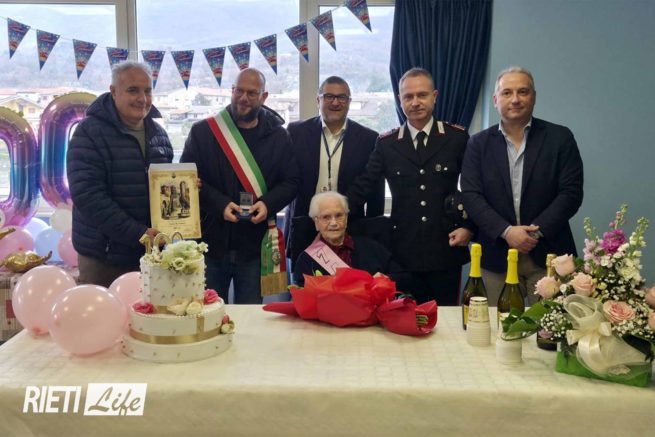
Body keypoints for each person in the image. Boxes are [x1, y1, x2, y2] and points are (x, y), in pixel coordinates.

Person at [347, 67, 473, 305]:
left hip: (446, 247)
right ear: (400, 100)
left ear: (434, 96)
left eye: (422, 95)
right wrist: (334, 214)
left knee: (446, 318)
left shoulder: (456, 138)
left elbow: (473, 189)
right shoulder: (387, 143)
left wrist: (469, 227)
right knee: (403, 317)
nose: (415, 102)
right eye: (408, 97)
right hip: (402, 251)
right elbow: (363, 186)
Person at [461, 66, 583, 305]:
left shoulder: (560, 138)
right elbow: (471, 195)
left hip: (549, 255)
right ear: (495, 100)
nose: (515, 99)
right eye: (507, 93)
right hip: (496, 255)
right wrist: (507, 232)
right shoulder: (478, 144)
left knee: (551, 326)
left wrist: (533, 233)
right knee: (493, 324)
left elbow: (571, 193)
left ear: (534, 97)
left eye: (523, 92)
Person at [181, 68, 299, 304]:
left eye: (252, 93)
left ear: (264, 97)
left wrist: (267, 204)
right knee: (208, 311)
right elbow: (188, 182)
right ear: (232, 91)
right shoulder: (203, 132)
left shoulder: (278, 136)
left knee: (250, 316)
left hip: (254, 246)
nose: (244, 98)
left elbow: (292, 182)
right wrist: (220, 204)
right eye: (239, 91)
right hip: (210, 243)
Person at [67, 60, 173, 287]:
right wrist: (138, 234)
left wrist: (187, 189)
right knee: (102, 311)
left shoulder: (159, 135)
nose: (142, 98)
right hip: (104, 257)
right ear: (113, 92)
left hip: (150, 253)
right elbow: (88, 196)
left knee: (150, 309)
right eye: (133, 90)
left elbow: (165, 191)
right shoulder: (89, 132)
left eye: (147, 91)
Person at [285, 76, 383, 268]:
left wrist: (372, 236)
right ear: (318, 100)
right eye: (329, 96)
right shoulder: (296, 132)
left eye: (342, 97)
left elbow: (374, 190)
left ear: (349, 101)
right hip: (305, 225)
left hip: (348, 228)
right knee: (303, 284)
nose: (336, 102)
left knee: (348, 284)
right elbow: (286, 178)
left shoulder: (368, 138)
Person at [293, 192, 400, 287]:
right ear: (316, 222)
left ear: (346, 218)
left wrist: (385, 279)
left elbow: (403, 277)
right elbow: (303, 294)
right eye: (326, 217)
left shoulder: (371, 247)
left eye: (339, 215)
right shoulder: (306, 260)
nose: (334, 223)